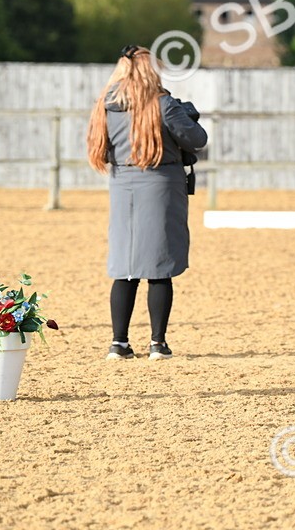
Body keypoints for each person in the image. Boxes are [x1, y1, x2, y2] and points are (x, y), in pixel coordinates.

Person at [86, 45, 207, 360]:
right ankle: (157, 343)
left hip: (122, 184)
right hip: (160, 184)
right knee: (159, 265)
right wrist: (185, 114)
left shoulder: (105, 105)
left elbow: (100, 147)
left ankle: (119, 343)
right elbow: (197, 139)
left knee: (125, 266)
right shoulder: (163, 104)